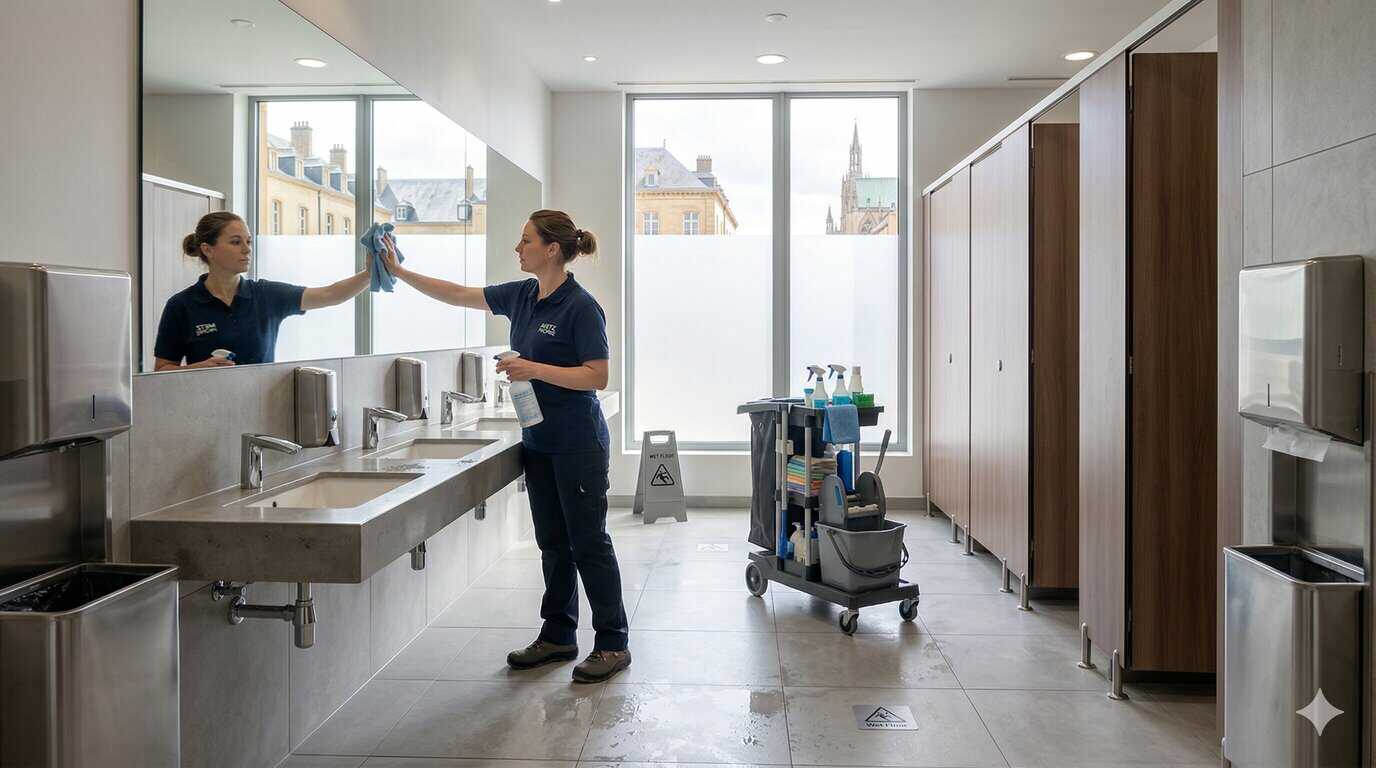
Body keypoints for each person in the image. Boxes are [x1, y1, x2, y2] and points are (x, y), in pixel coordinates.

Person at [382, 209, 629, 682]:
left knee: (588, 544)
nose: (518, 249)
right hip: (538, 441)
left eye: (525, 240)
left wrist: (533, 369)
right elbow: (457, 294)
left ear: (551, 249)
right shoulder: (522, 295)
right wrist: (399, 272)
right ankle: (558, 634)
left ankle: (613, 642)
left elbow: (597, 375)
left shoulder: (580, 306)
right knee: (553, 545)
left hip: (578, 443)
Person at [152, 212, 371, 370]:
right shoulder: (181, 305)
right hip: (205, 414)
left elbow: (329, 295)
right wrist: (198, 369)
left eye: (248, 241)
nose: (247, 249)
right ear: (207, 249)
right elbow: (161, 370)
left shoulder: (266, 295)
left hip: (262, 412)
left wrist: (370, 273)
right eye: (236, 242)